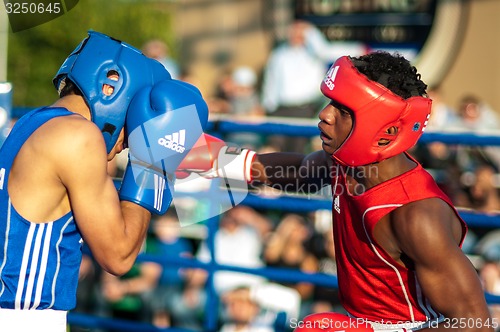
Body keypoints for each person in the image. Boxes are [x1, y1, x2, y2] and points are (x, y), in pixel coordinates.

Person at [250, 52, 492, 330]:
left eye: (343, 109)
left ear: (383, 129)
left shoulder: (416, 214)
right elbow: (299, 172)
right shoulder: (344, 164)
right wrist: (218, 161)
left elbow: (476, 324)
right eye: (331, 102)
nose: (325, 115)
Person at [0, 31, 208, 331]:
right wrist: (151, 162)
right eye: (135, 122)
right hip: (24, 317)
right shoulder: (78, 137)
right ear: (113, 89)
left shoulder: (32, 123)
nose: (127, 142)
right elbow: (119, 257)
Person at [261, 20, 366, 153]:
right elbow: (271, 81)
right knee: (273, 147)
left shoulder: (313, 52)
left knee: (298, 151)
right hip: (281, 109)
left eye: (300, 31)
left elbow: (324, 50)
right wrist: (267, 106)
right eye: (293, 31)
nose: (295, 34)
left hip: (305, 109)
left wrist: (310, 31)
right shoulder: (279, 54)